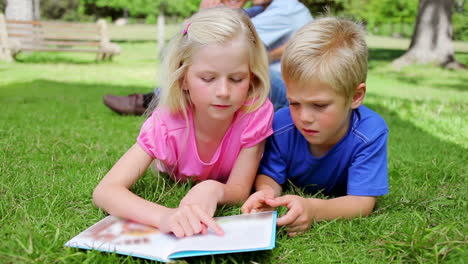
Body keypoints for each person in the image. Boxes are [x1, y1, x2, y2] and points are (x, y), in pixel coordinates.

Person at [93, 7, 274, 238]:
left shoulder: (255, 113)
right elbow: (106, 191)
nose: (223, 91)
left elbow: (239, 189)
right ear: (183, 78)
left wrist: (212, 189)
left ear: (251, 77)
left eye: (237, 79)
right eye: (208, 78)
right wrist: (164, 216)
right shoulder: (166, 124)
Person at [241, 17, 389, 237]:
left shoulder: (369, 133)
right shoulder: (281, 124)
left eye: (319, 105)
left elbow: (362, 201)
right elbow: (271, 175)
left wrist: (314, 209)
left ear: (355, 96)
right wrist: (266, 195)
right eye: (294, 103)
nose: (304, 117)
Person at [103, 0, 312, 114]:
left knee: (235, 67)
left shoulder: (285, 7)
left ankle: (153, 99)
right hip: (282, 82)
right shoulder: (265, 9)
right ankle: (158, 98)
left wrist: (204, 17)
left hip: (284, 87)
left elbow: (229, 43)